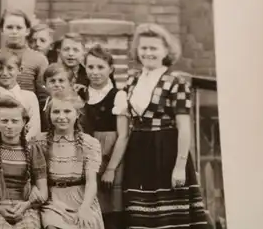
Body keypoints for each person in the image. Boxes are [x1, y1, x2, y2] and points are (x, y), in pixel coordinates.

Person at [122, 23, 209, 229]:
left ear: (166, 51)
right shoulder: (132, 79)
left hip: (166, 150)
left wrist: (179, 167)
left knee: (169, 217)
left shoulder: (175, 82)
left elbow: (184, 127)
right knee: (140, 215)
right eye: (144, 48)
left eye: (154, 48)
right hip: (138, 149)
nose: (148, 53)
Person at [0, 95, 48, 229]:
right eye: (4, 121)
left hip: (24, 207)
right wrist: (0, 209)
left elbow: (43, 193)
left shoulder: (33, 149)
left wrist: (26, 205)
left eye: (15, 121)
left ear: (24, 122)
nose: (9, 126)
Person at [37, 90, 105, 229]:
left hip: (81, 198)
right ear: (49, 115)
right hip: (52, 200)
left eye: (67, 111)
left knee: (86, 223)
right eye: (56, 112)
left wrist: (85, 208)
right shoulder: (39, 142)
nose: (61, 117)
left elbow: (91, 182)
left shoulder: (89, 143)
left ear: (77, 114)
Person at [79, 44, 126, 229]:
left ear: (111, 69)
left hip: (109, 156)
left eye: (100, 67)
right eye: (90, 67)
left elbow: (123, 136)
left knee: (111, 209)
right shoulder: (80, 94)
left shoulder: (118, 95)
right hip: (85, 156)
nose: (95, 72)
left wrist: (111, 169)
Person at [0, 50, 40, 140]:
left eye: (10, 68)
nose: (5, 73)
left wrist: (19, 145)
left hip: (24, 148)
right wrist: (4, 146)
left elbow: (35, 129)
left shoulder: (30, 97)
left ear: (20, 70)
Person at [0, 10, 48, 100]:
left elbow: (43, 95)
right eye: (9, 27)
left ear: (27, 30)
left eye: (19, 28)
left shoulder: (39, 59)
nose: (14, 32)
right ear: (2, 30)